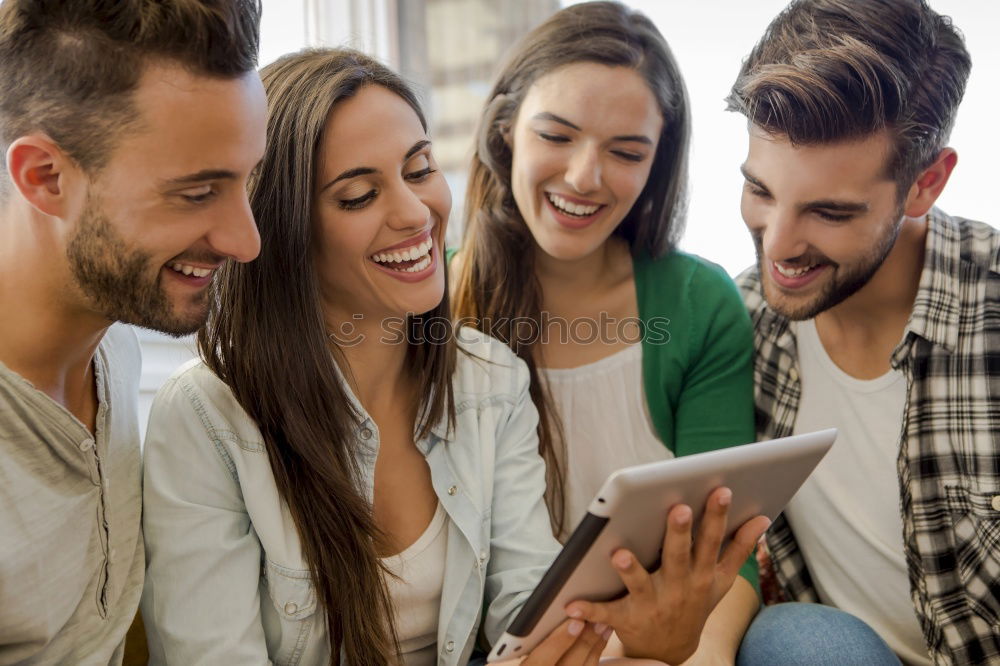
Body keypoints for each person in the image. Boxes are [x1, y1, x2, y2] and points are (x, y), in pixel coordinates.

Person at [140, 47, 763, 666]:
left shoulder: (488, 380)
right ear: (283, 230)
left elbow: (528, 609)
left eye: (419, 170)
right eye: (358, 195)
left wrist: (626, 640)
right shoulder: (204, 421)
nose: (416, 214)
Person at [451, 3, 773, 661]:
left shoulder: (697, 303)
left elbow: (726, 560)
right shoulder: (436, 307)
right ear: (507, 128)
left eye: (626, 152)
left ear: (658, 164)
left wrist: (687, 659)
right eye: (557, 136)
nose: (583, 177)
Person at [727, 0, 995, 663]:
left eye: (828, 211)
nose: (778, 247)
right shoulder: (744, 321)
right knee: (793, 640)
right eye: (760, 191)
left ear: (925, 184)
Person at [0, 1, 264, 663]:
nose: (246, 241)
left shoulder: (109, 339)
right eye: (198, 193)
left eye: (246, 180)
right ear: (45, 177)